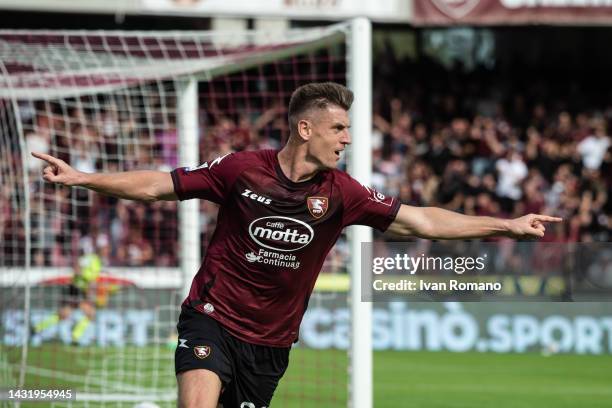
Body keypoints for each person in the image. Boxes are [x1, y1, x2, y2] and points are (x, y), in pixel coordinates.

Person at [32, 82, 562, 408]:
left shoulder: (344, 194)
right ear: (305, 128)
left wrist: (507, 226)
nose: (348, 139)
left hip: (270, 344)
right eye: (339, 128)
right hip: (211, 316)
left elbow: (421, 219)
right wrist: (83, 178)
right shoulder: (241, 170)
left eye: (349, 129)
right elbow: (157, 186)